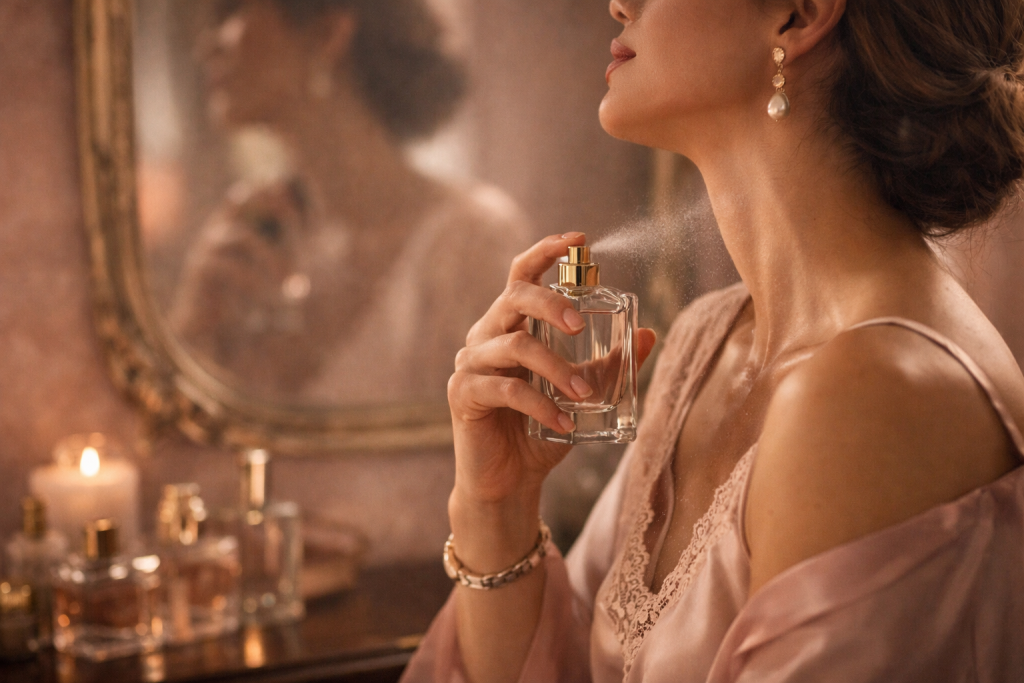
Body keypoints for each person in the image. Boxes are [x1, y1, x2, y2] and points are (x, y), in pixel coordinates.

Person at [401, 0, 1024, 681]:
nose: (619, 3)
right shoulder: (705, 341)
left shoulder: (873, 395)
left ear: (799, 14)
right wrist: (496, 504)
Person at [170, 0, 529, 404]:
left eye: (235, 11)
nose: (207, 46)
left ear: (328, 35)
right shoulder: (256, 242)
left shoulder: (470, 240)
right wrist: (196, 328)